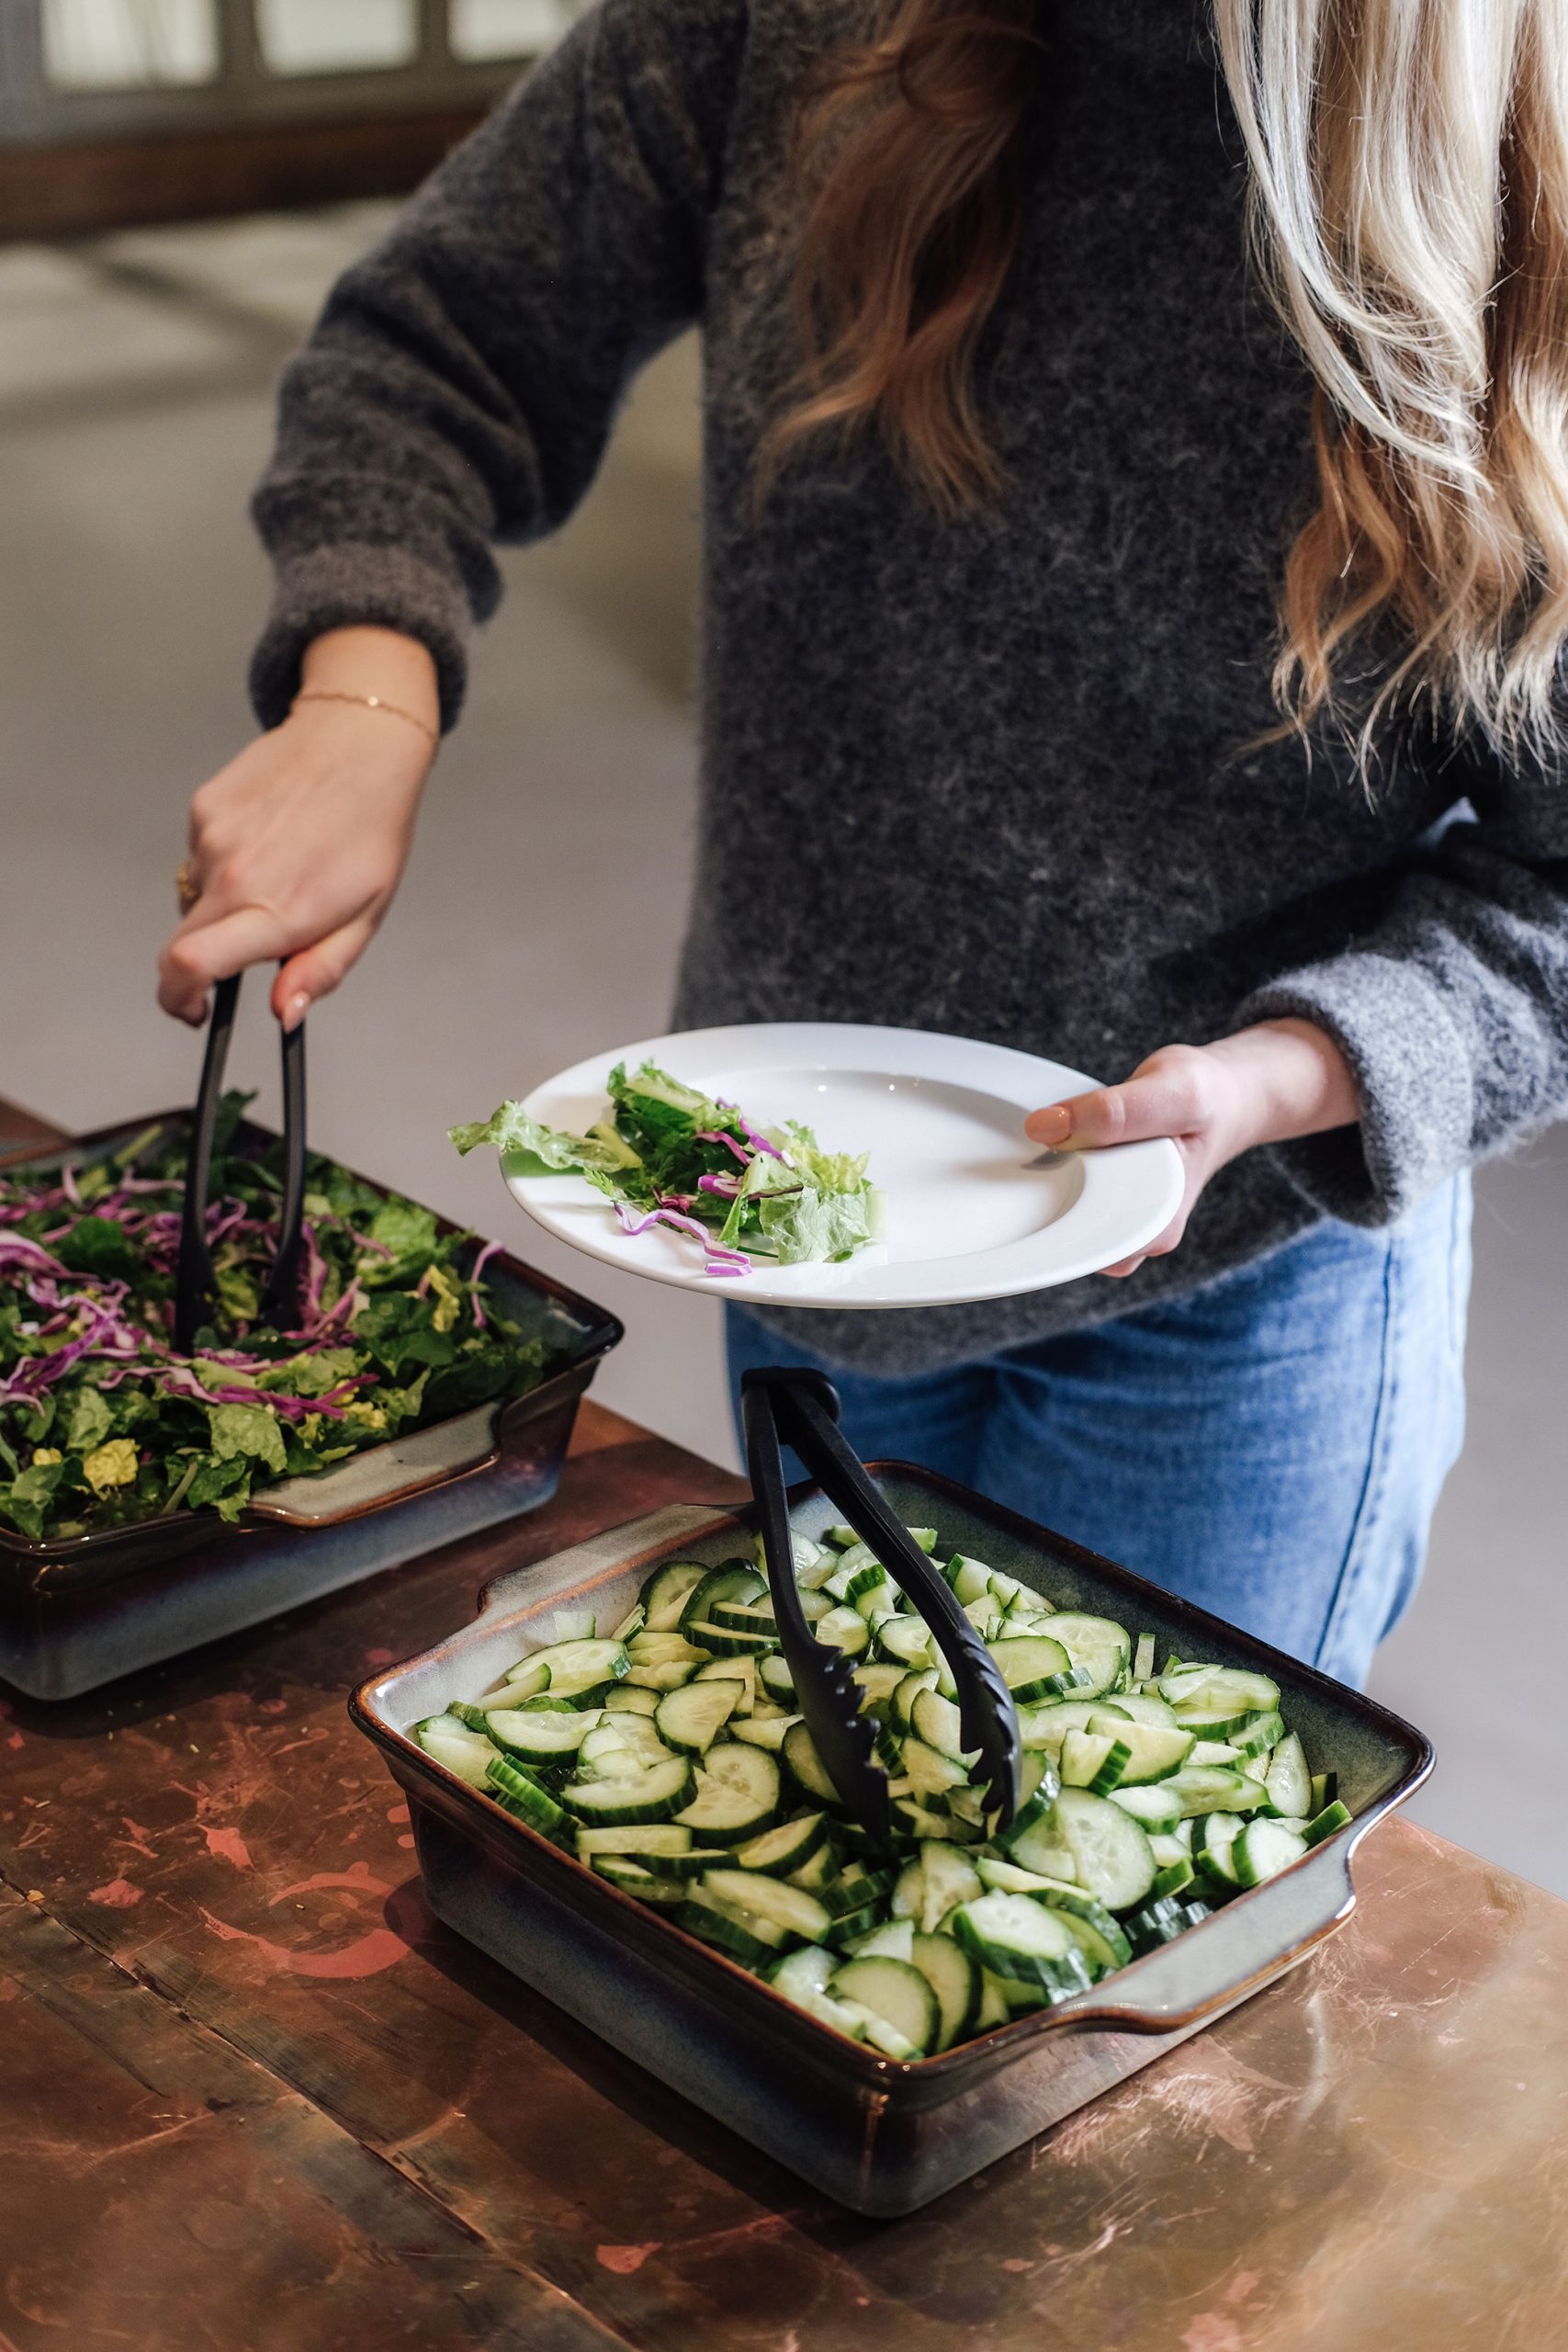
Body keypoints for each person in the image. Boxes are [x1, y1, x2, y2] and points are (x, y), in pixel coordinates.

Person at [156, 0, 1568, 1687]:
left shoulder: (1514, 174)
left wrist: (1285, 1076)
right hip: (808, 1198)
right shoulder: (788, 26)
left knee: (1099, 1915)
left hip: (1236, 1290)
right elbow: (436, 335)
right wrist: (360, 698)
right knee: (836, 1830)